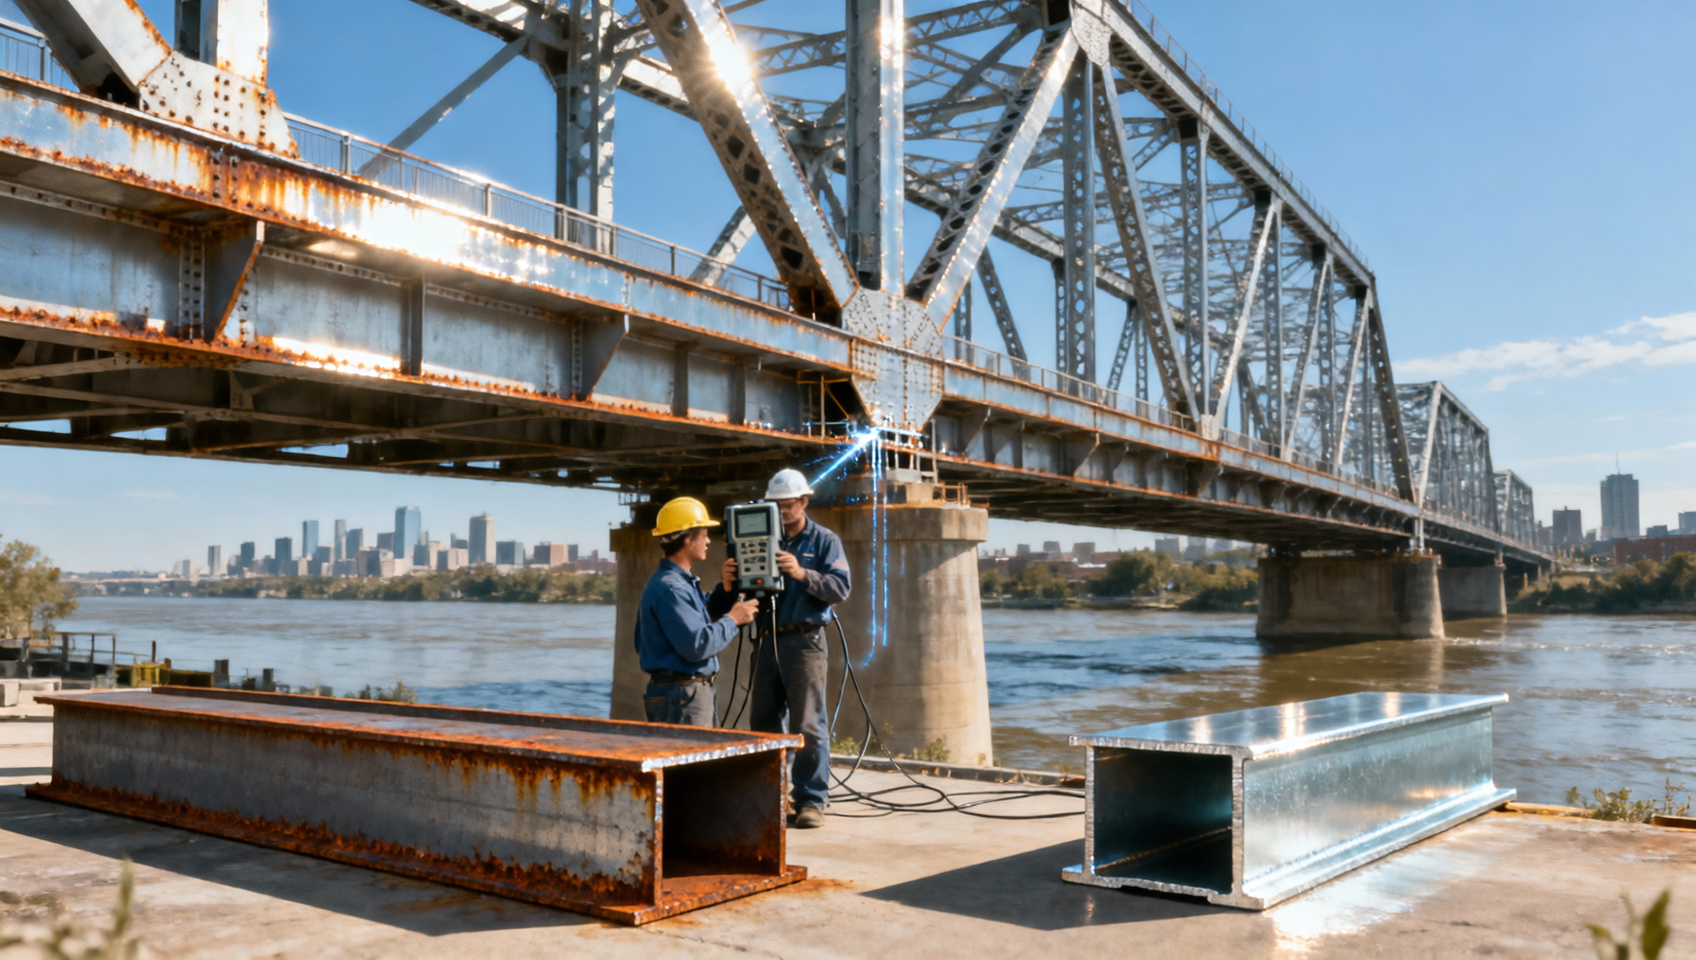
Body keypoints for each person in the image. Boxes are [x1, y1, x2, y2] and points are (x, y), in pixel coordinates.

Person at [713, 469, 850, 829]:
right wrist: (730, 582)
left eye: (788, 505)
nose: (782, 511)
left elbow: (840, 588)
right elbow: (737, 593)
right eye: (776, 505)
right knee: (763, 720)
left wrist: (803, 574)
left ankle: (811, 800)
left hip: (804, 640)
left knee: (808, 722)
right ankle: (768, 795)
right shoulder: (757, 534)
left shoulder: (824, 541)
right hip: (765, 639)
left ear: (804, 502)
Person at [635, 496, 758, 726]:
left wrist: (726, 591)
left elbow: (698, 619)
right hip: (682, 698)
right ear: (688, 539)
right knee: (692, 762)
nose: (708, 541)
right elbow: (697, 645)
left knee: (695, 761)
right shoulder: (671, 588)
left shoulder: (673, 583)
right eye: (704, 535)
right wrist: (733, 619)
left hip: (681, 694)